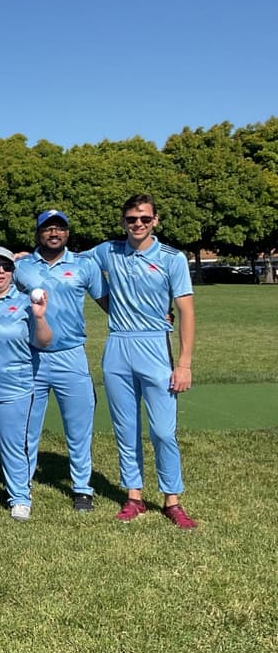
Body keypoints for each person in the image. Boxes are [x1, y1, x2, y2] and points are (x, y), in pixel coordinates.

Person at [86, 195, 197, 528]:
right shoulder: (109, 250)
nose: (138, 224)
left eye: (144, 219)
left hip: (155, 348)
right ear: (124, 221)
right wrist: (25, 256)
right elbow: (68, 261)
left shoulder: (172, 258)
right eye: (132, 219)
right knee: (126, 429)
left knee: (163, 431)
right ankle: (134, 497)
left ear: (155, 221)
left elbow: (186, 311)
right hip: (118, 346)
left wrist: (184, 363)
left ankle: (172, 500)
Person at [14, 210, 108, 511]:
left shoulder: (84, 265)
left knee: (79, 427)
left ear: (67, 233)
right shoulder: (21, 267)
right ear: (38, 233)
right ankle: (21, 487)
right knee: (27, 428)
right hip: (32, 358)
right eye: (47, 228)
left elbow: (108, 303)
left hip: (71, 356)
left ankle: (82, 487)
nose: (53, 233)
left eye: (59, 228)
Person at [0, 247, 52, 521]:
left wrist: (40, 316)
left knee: (14, 445)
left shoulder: (25, 302)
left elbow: (44, 341)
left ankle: (20, 497)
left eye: (6, 267)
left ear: (13, 272)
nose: (0, 271)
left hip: (15, 386)